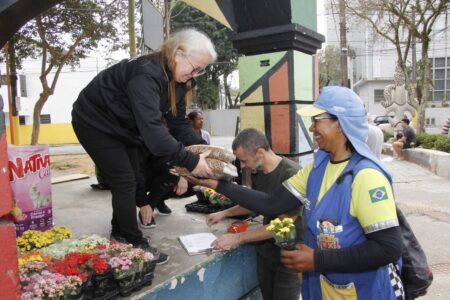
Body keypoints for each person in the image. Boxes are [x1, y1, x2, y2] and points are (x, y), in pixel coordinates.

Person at [186, 86, 403, 300]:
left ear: (340, 123)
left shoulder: (366, 177)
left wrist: (318, 260)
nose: (312, 129)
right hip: (326, 289)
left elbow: (388, 248)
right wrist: (216, 184)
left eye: (317, 121)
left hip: (366, 291)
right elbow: (272, 203)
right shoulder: (318, 168)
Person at [71, 28, 217, 250]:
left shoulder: (178, 80)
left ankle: (120, 232)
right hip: (94, 122)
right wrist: (192, 161)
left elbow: (178, 123)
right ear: (178, 54)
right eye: (195, 68)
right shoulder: (146, 74)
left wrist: (207, 151)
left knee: (129, 178)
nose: (195, 75)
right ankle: (133, 241)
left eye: (201, 71)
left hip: (124, 126)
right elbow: (155, 136)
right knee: (124, 180)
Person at [206, 128, 302, 300]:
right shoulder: (258, 173)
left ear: (260, 152)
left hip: (288, 258)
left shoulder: (291, 174)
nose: (242, 166)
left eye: (244, 160)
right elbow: (256, 204)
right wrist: (224, 213)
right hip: (265, 252)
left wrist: (238, 238)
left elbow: (281, 225)